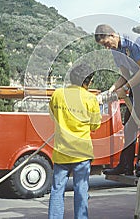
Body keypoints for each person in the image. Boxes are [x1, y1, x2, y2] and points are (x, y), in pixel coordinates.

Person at [94, 24, 140, 176]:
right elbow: (124, 75)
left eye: (106, 43)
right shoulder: (115, 50)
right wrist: (110, 91)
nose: (107, 48)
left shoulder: (132, 41)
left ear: (113, 35)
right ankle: (125, 165)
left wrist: (125, 88)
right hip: (136, 78)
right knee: (130, 124)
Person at [48, 63, 101, 219]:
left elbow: (53, 116)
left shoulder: (57, 94)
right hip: (82, 153)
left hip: (61, 151)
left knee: (57, 190)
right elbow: (94, 125)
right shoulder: (90, 99)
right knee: (81, 191)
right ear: (88, 81)